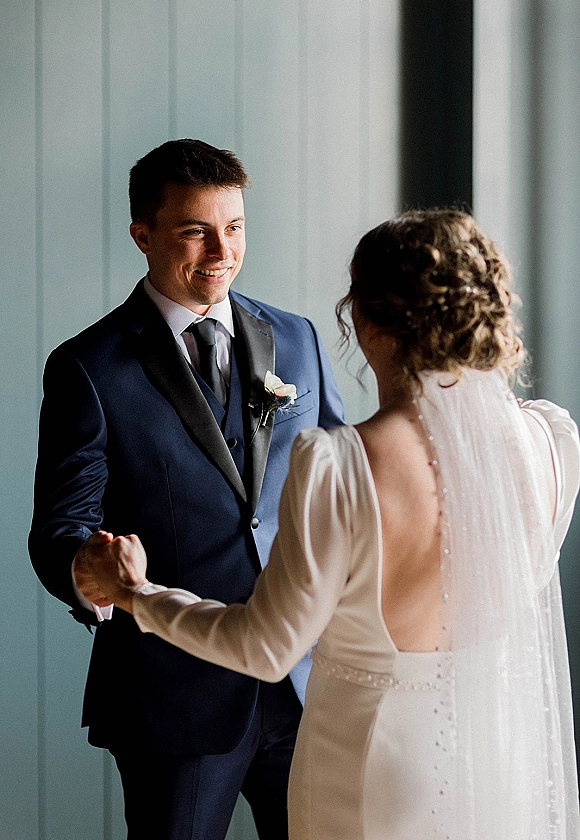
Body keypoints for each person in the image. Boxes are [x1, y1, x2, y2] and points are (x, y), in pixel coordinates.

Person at [81, 208, 580, 839]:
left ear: (367, 323)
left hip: (368, 772)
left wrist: (136, 594)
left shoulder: (343, 462)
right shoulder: (552, 441)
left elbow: (266, 648)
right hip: (493, 764)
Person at [28, 139, 344, 840]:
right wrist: (89, 571)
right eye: (195, 231)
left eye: (233, 227)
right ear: (144, 234)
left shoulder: (296, 340)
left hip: (307, 684)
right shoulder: (88, 367)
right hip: (173, 692)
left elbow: (345, 483)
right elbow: (60, 526)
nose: (220, 251)